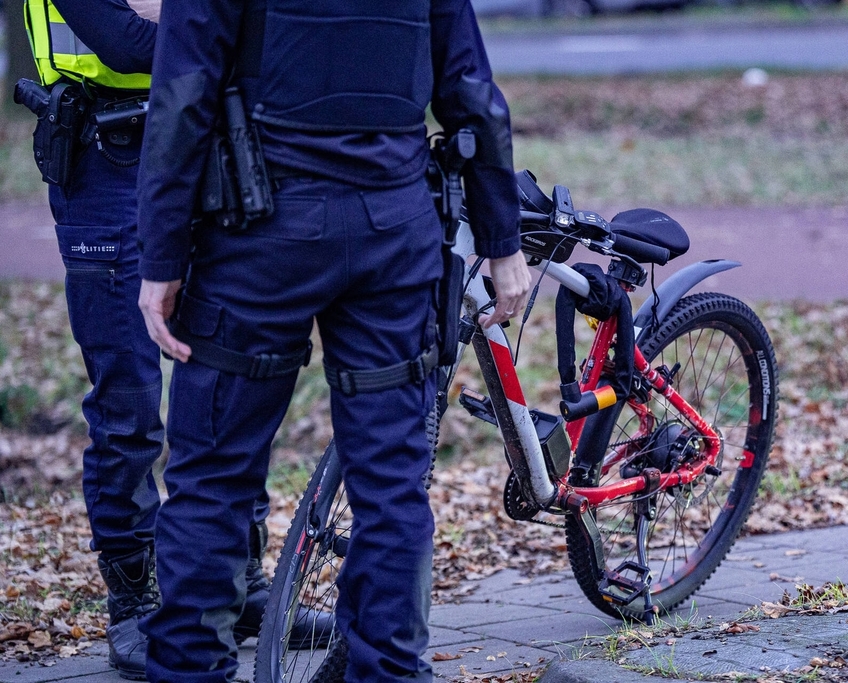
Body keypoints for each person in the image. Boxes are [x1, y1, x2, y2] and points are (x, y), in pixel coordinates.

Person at [135, 0, 532, 680]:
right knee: (391, 483)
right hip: (392, 236)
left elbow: (181, 97)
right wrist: (502, 239)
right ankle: (389, 670)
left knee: (213, 479)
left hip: (259, 240)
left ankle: (189, 670)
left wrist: (161, 258)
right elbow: (470, 91)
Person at [16, 1, 328, 678]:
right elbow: (125, 42)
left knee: (227, 378)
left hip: (203, 142)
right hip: (104, 158)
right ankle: (133, 602)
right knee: (127, 403)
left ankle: (236, 586)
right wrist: (220, 32)